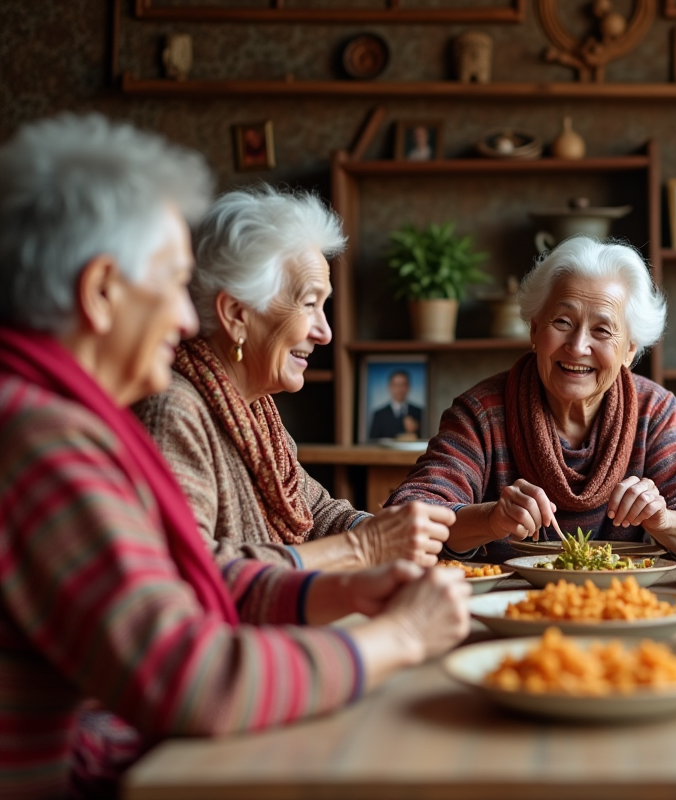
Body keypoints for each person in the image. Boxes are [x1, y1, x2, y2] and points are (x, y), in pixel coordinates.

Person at [0, 113, 471, 799]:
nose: (187, 318)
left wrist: (332, 589)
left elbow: (178, 583)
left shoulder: (53, 416)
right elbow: (191, 679)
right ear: (101, 292)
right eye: (168, 283)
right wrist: (396, 639)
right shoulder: (41, 442)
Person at [136, 187, 450, 570]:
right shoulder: (174, 412)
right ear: (236, 313)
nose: (325, 333)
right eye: (308, 304)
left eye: (324, 305)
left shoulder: (254, 409)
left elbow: (314, 512)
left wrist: (385, 531)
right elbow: (194, 570)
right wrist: (366, 546)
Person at [386, 236, 676, 562]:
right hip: (506, 611)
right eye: (563, 322)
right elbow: (404, 517)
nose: (578, 346)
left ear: (630, 349)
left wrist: (664, 521)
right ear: (534, 329)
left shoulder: (652, 410)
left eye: (602, 329)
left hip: (620, 607)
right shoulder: (483, 413)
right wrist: (490, 519)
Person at [369, 369, 424, 439]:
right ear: (390, 387)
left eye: (403, 385)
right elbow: (372, 442)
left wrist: (416, 428)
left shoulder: (420, 412)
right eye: (396, 385)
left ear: (408, 387)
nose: (400, 389)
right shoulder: (379, 415)